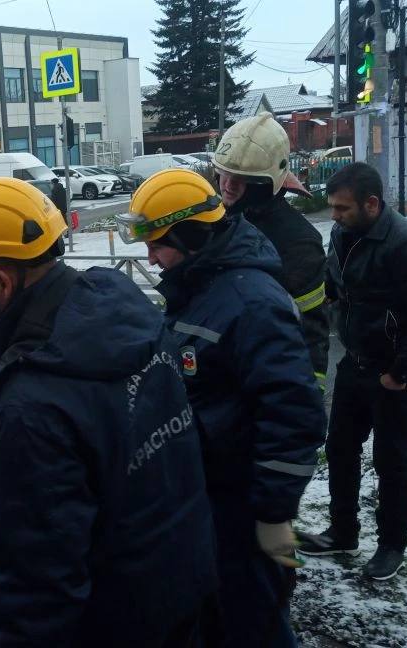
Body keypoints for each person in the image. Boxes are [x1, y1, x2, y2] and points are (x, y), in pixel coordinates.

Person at [0, 177, 217, 647]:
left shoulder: (29, 403)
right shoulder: (126, 308)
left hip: (116, 620)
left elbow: (40, 582)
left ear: (1, 281)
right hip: (185, 577)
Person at [116, 168, 325, 647]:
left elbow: (294, 414)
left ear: (192, 235)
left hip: (242, 504)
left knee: (255, 623)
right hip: (209, 494)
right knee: (217, 616)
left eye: (158, 244)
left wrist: (273, 514)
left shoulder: (249, 301)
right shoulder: (201, 287)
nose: (151, 257)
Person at [298, 163, 407, 580]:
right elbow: (334, 288)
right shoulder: (344, 235)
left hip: (394, 375)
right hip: (355, 364)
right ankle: (343, 531)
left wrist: (398, 373)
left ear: (372, 204)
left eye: (342, 208)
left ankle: (391, 546)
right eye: (332, 208)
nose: (335, 216)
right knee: (341, 449)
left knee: (391, 461)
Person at [214, 113, 330, 387]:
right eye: (224, 173)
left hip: (269, 380)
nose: (228, 185)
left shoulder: (298, 241)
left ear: (267, 183)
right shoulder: (220, 221)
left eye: (242, 179)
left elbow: (312, 331)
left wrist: (308, 398)